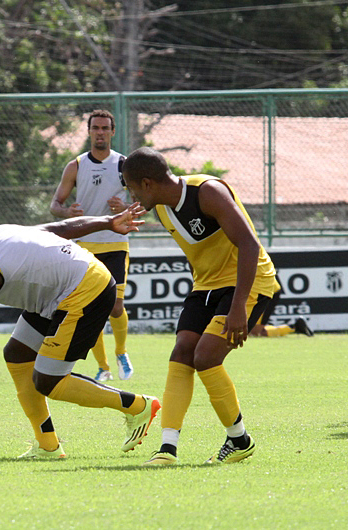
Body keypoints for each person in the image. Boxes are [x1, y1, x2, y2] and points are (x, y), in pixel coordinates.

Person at [0, 207, 159, 459]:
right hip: (63, 290)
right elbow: (58, 229)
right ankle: (47, 445)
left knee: (48, 380)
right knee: (17, 354)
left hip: (85, 290)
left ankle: (137, 405)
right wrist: (106, 221)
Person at [118, 147, 278, 466]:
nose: (129, 193)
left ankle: (239, 440)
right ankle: (167, 449)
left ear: (147, 183)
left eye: (130, 186)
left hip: (250, 282)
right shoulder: (160, 205)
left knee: (205, 356)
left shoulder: (208, 192)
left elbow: (249, 244)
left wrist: (237, 308)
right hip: (206, 285)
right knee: (182, 352)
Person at [50, 109, 134, 382]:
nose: (100, 132)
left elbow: (144, 201)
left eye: (104, 128)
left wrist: (126, 207)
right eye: (95, 128)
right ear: (89, 132)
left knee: (116, 307)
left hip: (115, 243)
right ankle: (104, 367)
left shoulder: (124, 164)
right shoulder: (76, 166)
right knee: (91, 308)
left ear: (112, 132)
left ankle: (121, 352)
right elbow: (55, 205)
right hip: (85, 245)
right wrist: (67, 213)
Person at [249, 282, 313, 337]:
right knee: (250, 331)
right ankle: (294, 326)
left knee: (254, 332)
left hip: (266, 292)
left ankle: (293, 327)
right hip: (261, 290)